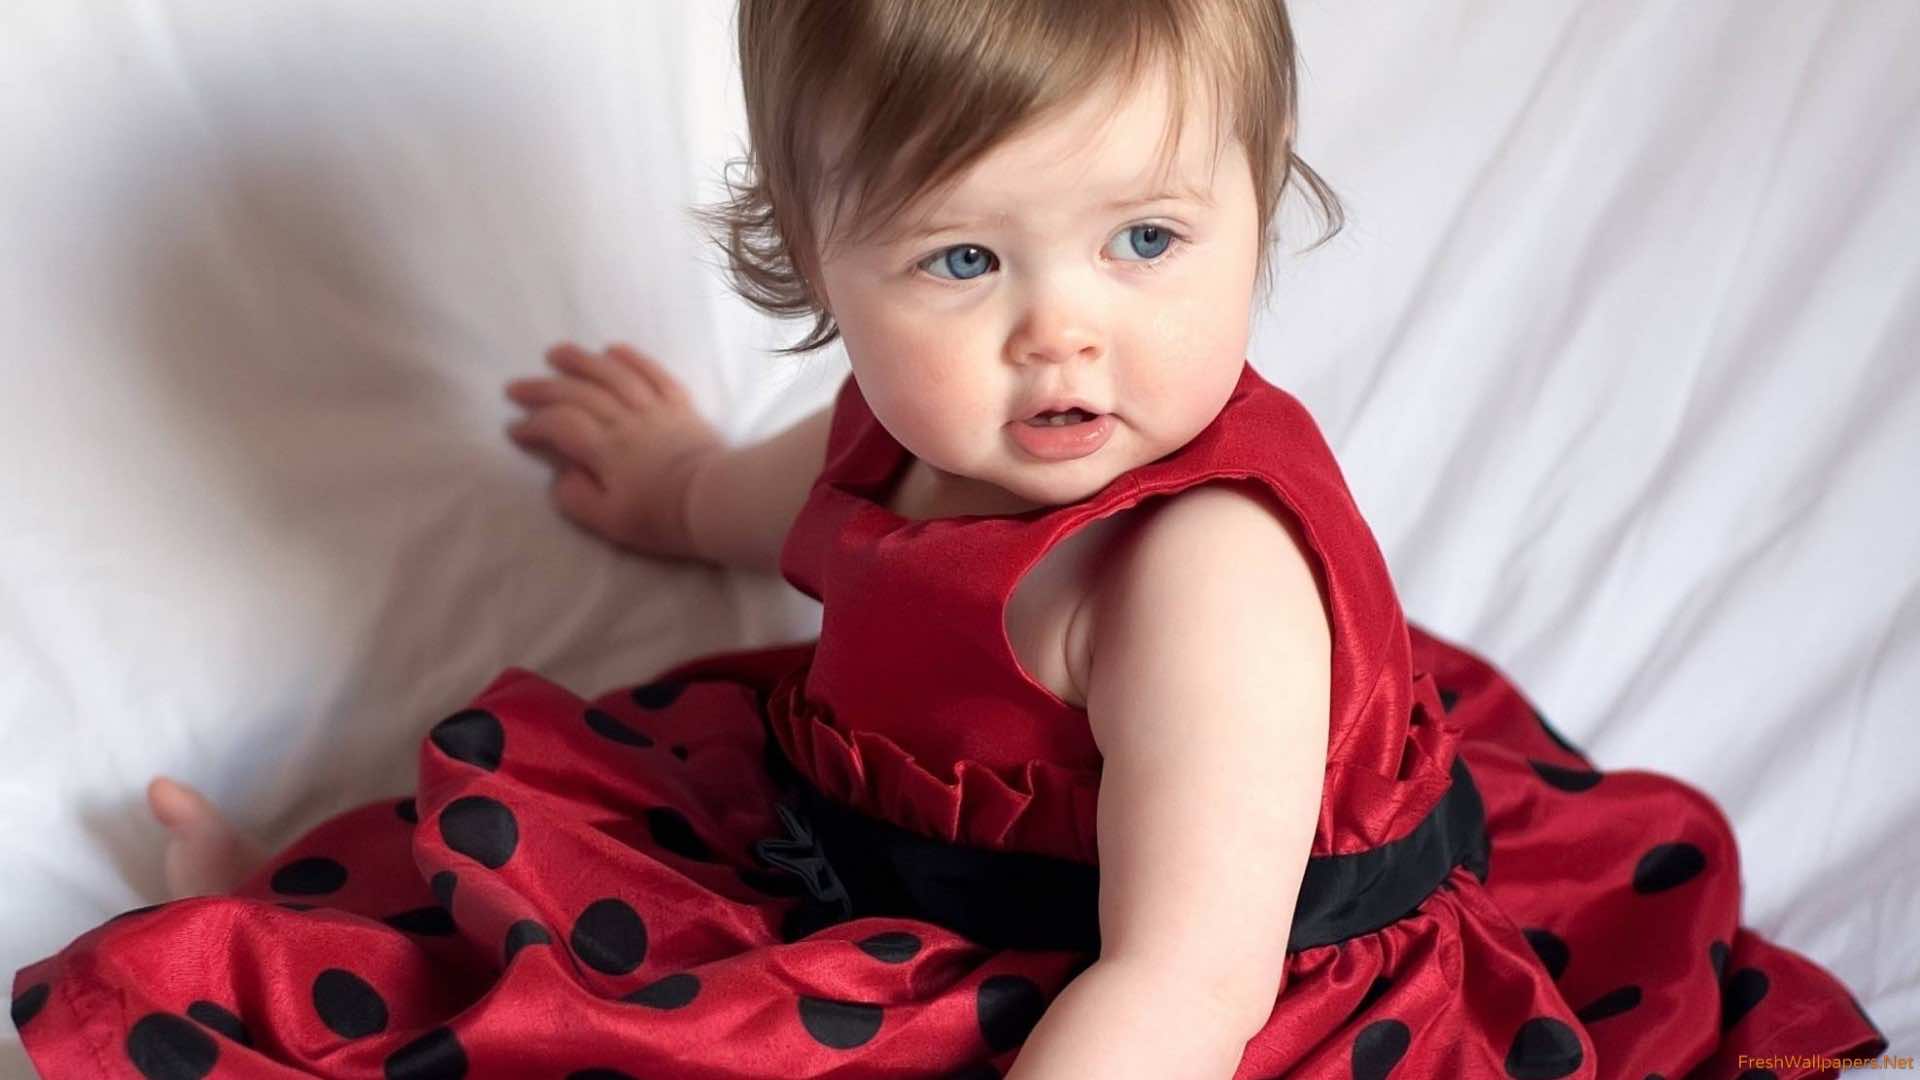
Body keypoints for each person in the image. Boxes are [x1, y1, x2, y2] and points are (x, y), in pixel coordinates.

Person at [9, 2, 1889, 1077]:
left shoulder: (1198, 580)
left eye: (1146, 241)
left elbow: (1187, 981)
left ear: (1260, 202)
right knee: (532, 842)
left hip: (1156, 981)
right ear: (818, 265)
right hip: (866, 836)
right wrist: (671, 487)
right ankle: (286, 941)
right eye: (963, 259)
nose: (1061, 332)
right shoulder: (908, 429)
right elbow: (792, 507)